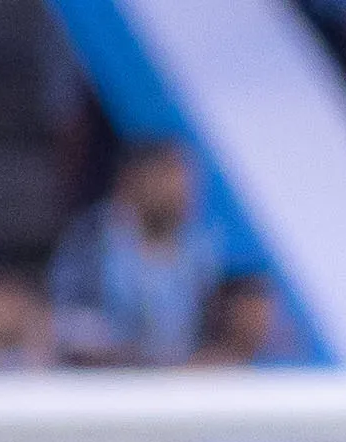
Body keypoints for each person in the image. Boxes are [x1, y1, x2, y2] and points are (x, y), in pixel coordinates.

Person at [49, 136, 225, 365]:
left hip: (181, 384)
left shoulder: (200, 247)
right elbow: (71, 326)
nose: (182, 188)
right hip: (110, 379)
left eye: (187, 178)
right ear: (135, 179)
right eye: (168, 175)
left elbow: (211, 329)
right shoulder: (93, 239)